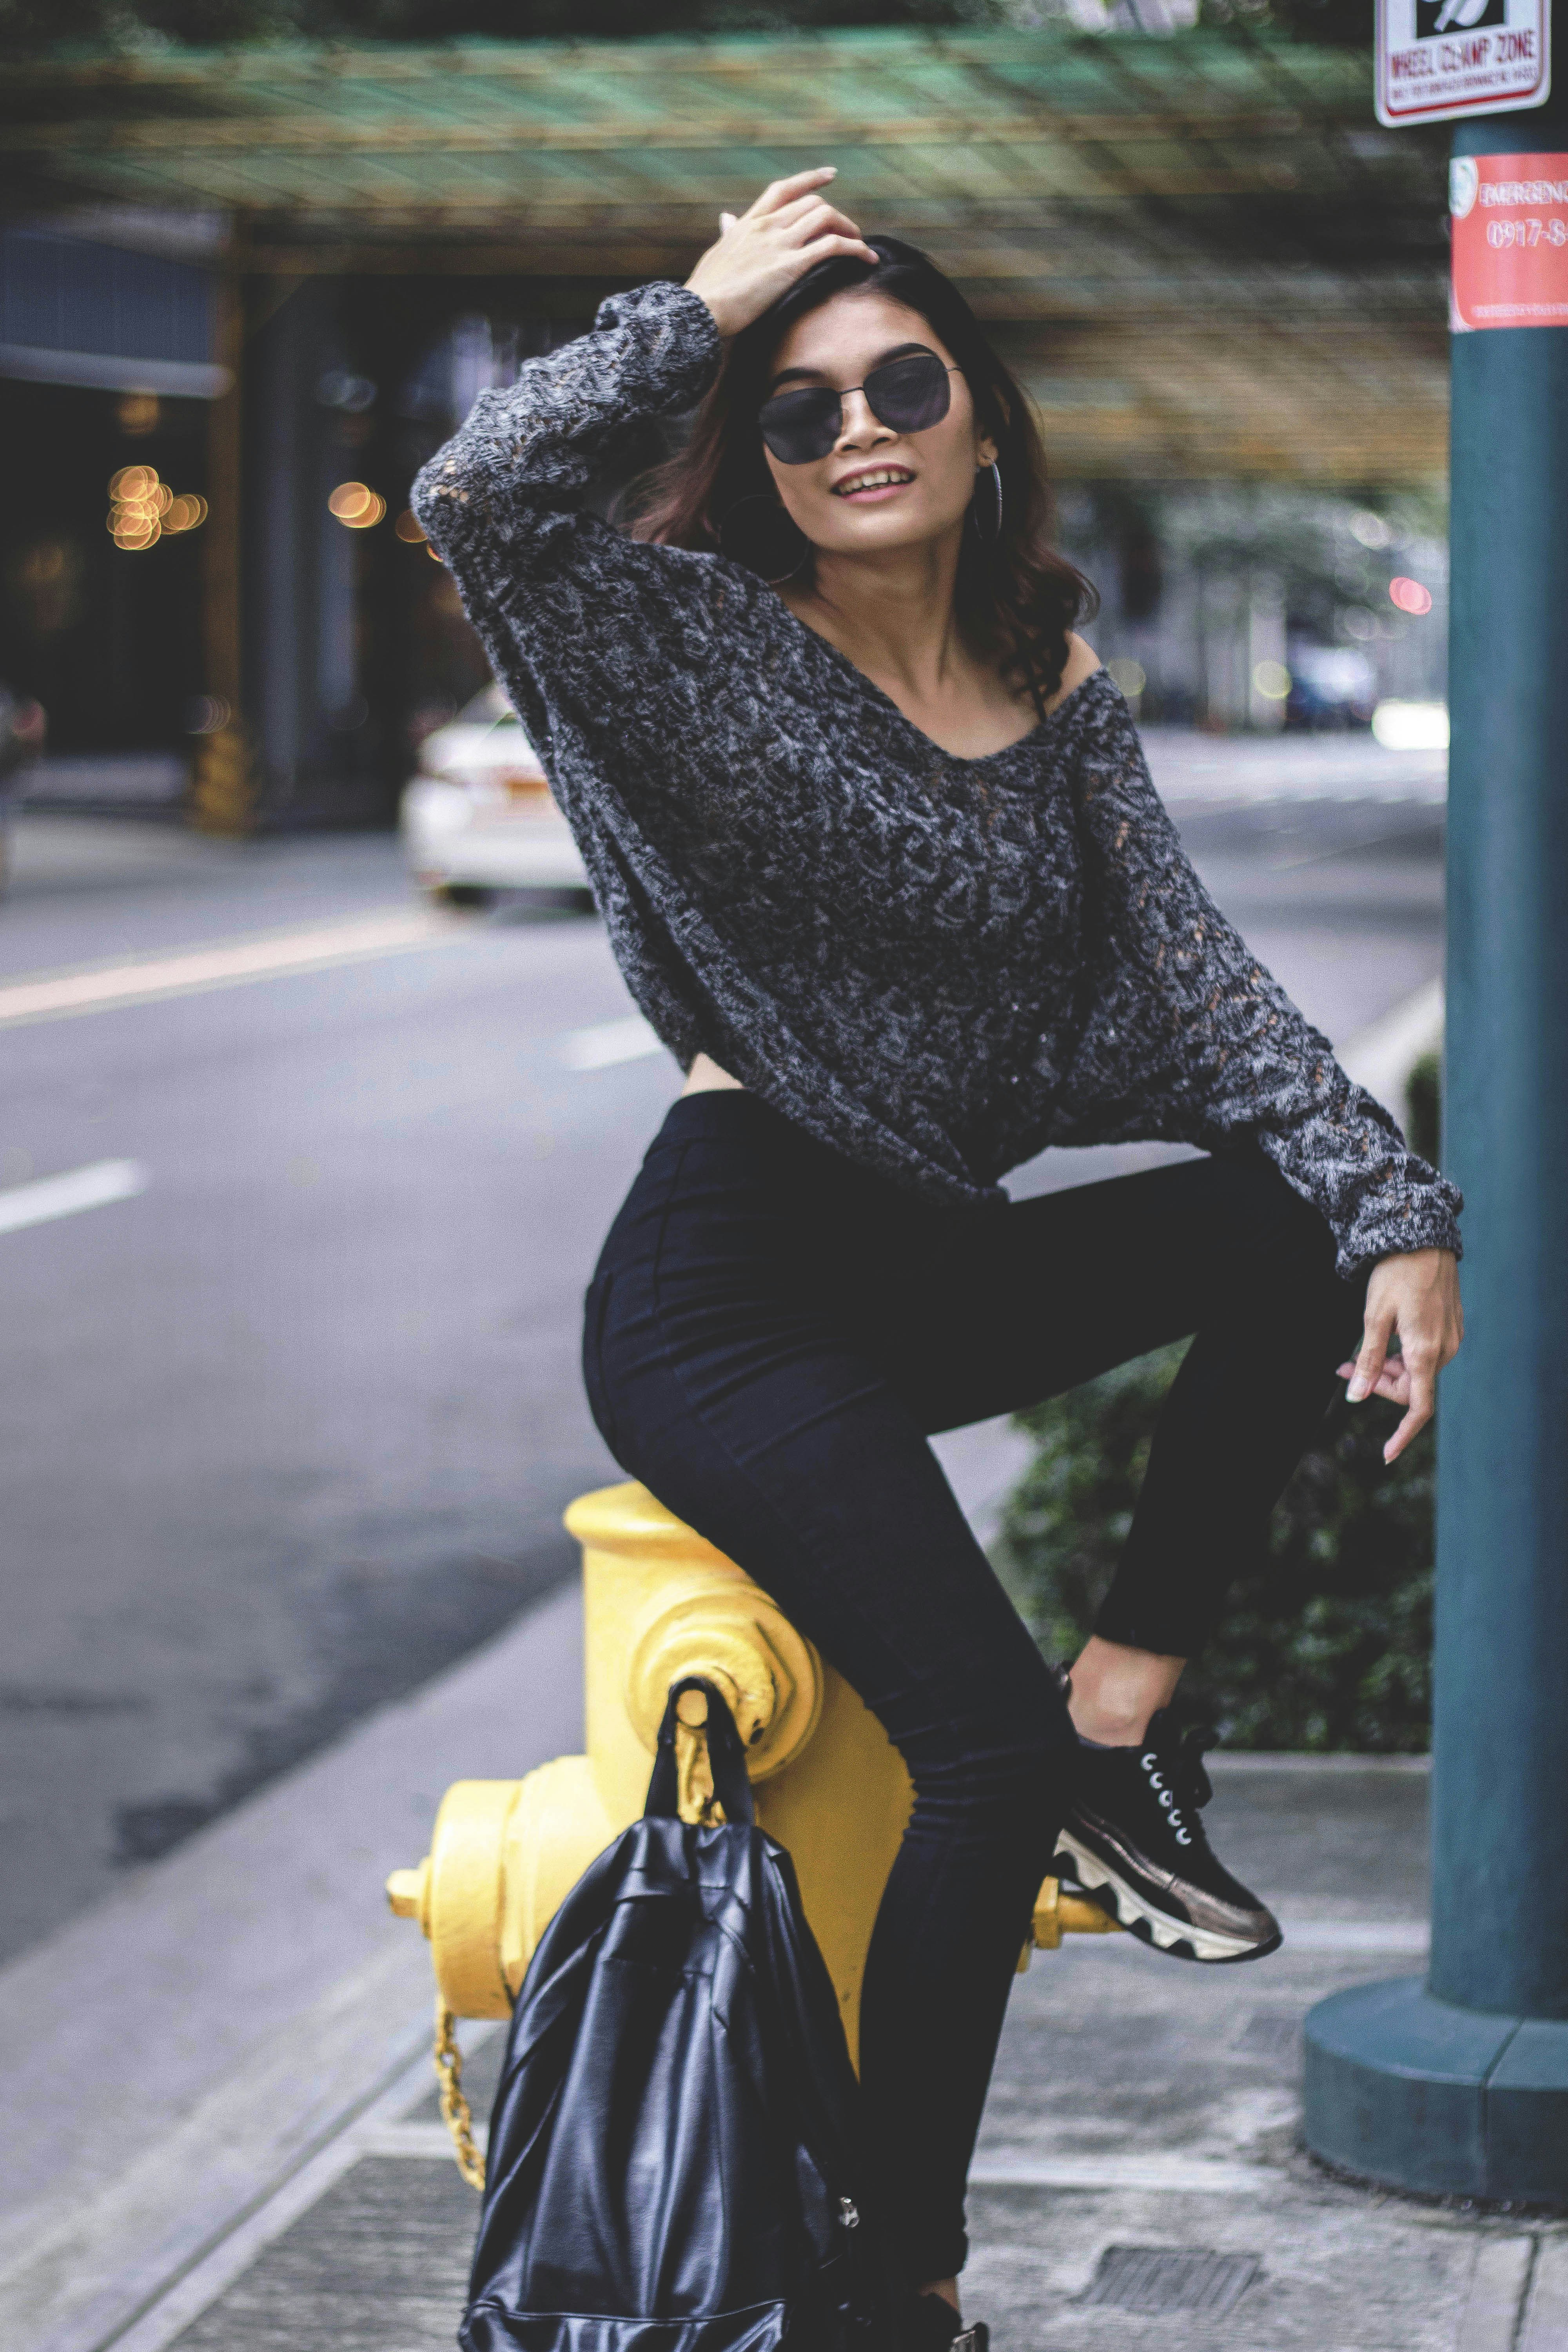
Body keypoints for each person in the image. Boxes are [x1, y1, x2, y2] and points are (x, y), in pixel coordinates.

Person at [413, 172, 1464, 2350]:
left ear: (982, 415)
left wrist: (1399, 1217)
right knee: (966, 1759)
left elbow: (1194, 991)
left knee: (1289, 1223)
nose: (861, 430)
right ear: (756, 452)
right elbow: (479, 495)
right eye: (799, 411)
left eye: (906, 383)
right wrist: (693, 312)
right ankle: (896, 2290)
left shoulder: (1049, 674)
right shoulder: (684, 640)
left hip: (926, 1257)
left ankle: (1129, 1708)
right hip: (730, 1290)